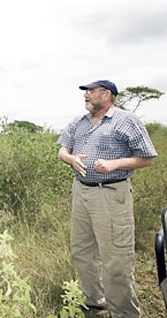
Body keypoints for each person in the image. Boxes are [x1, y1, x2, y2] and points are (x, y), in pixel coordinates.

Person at [57, 80, 157, 318]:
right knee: (82, 251)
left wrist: (114, 164)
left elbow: (147, 158)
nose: (86, 96)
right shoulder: (78, 122)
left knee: (116, 259)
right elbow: (62, 150)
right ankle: (95, 301)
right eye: (85, 92)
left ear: (107, 94)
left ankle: (124, 313)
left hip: (110, 194)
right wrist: (70, 159)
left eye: (90, 91)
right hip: (80, 192)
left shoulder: (126, 121)